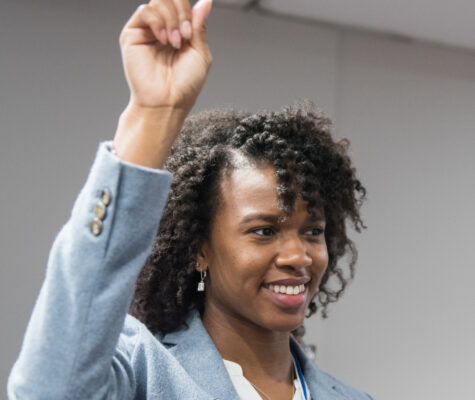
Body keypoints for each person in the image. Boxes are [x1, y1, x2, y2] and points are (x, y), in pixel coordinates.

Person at [8, 0, 372, 399]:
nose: (298, 256)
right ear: (200, 248)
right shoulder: (142, 372)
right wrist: (152, 115)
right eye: (264, 231)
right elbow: (50, 388)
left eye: (313, 231)